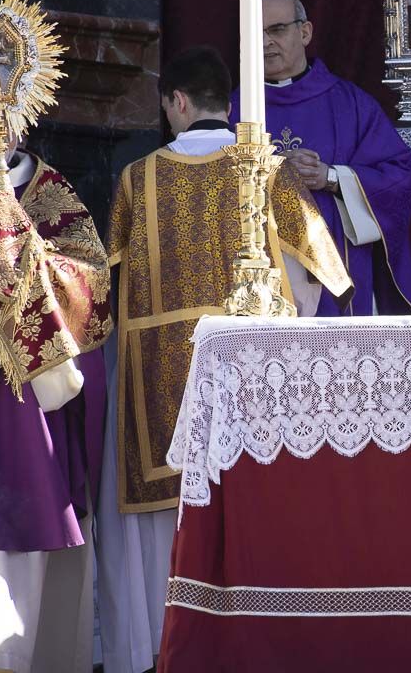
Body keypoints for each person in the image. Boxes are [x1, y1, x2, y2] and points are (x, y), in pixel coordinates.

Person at [96, 47, 351, 673]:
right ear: (225, 102)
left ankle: (153, 647)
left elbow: (105, 292)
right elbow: (323, 276)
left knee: (164, 516)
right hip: (250, 379)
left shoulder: (137, 179)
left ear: (178, 102)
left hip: (157, 379)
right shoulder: (267, 171)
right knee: (246, 502)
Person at [0, 129, 112, 673]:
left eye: (4, 110)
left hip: (25, 396)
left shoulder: (46, 189)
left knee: (25, 533)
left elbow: (94, 277)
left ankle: (14, 656)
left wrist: (34, 270)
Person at [230, 0, 411, 316]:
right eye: (254, 32)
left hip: (339, 272)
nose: (264, 42)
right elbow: (209, 186)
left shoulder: (350, 105)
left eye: (276, 30)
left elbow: (400, 178)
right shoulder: (232, 110)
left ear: (305, 32)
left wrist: (331, 177)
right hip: (261, 277)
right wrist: (268, 168)